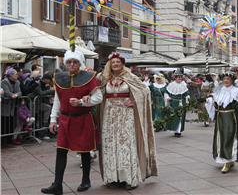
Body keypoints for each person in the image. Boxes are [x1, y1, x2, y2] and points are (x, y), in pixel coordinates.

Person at [41, 49, 103, 195]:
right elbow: (57, 100)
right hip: (65, 119)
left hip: (82, 118)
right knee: (60, 150)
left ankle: (86, 180)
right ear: (66, 63)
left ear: (80, 63)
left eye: (75, 62)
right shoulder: (59, 78)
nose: (72, 64)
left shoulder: (89, 77)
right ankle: (57, 185)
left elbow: (98, 97)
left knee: (84, 150)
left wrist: (81, 102)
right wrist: (52, 120)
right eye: (69, 62)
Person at [96, 52, 157, 189]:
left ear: (122, 64)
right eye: (113, 63)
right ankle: (113, 178)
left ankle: (129, 179)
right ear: (109, 65)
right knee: (110, 144)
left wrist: (134, 102)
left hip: (126, 114)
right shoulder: (105, 78)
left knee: (126, 145)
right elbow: (97, 92)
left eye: (118, 62)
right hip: (109, 115)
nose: (115, 64)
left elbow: (145, 91)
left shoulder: (130, 77)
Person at [212, 72, 238, 173]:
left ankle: (227, 161)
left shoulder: (236, 91)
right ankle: (227, 159)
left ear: (232, 80)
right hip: (220, 117)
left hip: (231, 117)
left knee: (229, 137)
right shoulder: (219, 90)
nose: (226, 81)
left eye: (228, 79)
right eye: (224, 79)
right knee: (221, 137)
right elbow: (216, 104)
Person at [165, 69, 190, 137]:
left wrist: (188, 99)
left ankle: (178, 131)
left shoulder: (183, 85)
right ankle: (175, 130)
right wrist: (168, 98)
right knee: (174, 117)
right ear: (175, 78)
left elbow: (186, 94)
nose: (180, 79)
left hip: (181, 103)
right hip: (173, 103)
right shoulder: (171, 85)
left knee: (180, 117)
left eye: (180, 77)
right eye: (178, 77)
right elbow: (166, 93)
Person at [1, 68, 22, 145]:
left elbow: (20, 92)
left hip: (12, 107)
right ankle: (3, 140)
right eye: (15, 74)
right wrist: (11, 95)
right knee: (4, 123)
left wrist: (15, 95)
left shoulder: (17, 82)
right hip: (5, 106)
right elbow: (6, 92)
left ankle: (9, 139)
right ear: (10, 75)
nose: (17, 75)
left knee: (10, 123)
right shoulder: (4, 82)